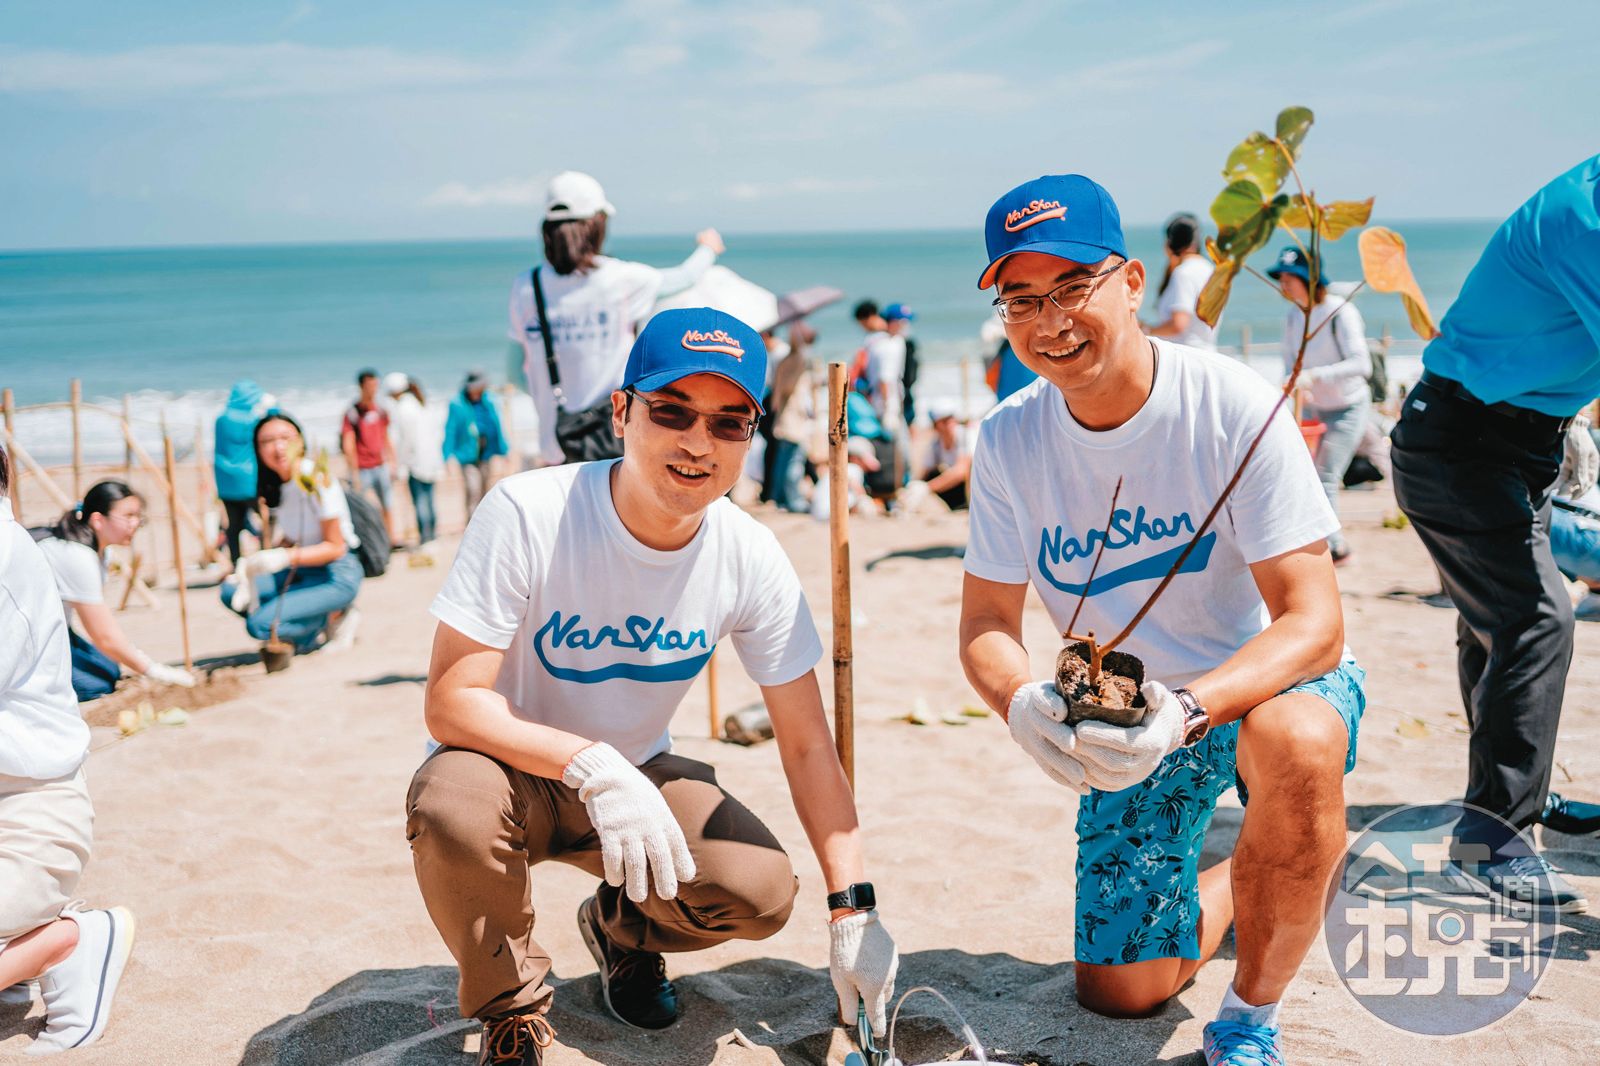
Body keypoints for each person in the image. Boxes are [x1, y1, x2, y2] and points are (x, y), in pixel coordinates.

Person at [407, 308, 897, 1065]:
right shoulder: (529, 510)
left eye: (729, 423)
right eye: (672, 412)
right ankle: (511, 1007)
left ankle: (620, 932)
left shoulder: (749, 554)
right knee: (450, 806)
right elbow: (451, 701)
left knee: (759, 889)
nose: (699, 443)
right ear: (621, 412)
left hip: (640, 775)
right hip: (508, 771)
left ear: (751, 436)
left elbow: (806, 745)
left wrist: (852, 910)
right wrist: (588, 763)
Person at [959, 174, 1363, 1066]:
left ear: (1133, 282)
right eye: (1021, 300)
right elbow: (986, 620)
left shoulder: (1232, 403)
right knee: (1122, 994)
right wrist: (1019, 700)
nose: (1050, 321)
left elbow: (1314, 622)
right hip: (1125, 717)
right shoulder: (1009, 438)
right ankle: (1273, 869)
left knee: (1298, 741)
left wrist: (1188, 710)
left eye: (1073, 286)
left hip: (1258, 687)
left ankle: (1251, 1017)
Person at [1390, 153, 1600, 906]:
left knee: (1495, 627)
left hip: (1522, 440)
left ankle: (1513, 803)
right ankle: (1491, 844)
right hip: (1459, 442)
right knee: (1536, 618)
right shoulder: (1584, 216)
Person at [1, 444, 136, 1054]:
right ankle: (19, 951)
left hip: (29, 818)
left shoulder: (7, 557)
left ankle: (67, 940)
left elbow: (106, 633)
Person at [508, 171, 723, 466]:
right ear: (598, 224)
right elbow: (685, 277)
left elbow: (514, 371)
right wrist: (709, 247)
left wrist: (549, 394)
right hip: (613, 441)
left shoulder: (527, 287)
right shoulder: (619, 280)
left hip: (557, 446)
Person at [34, 481, 196, 700]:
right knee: (96, 684)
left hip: (59, 628)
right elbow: (104, 636)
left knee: (110, 669)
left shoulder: (100, 551)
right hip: (30, 636)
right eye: (128, 516)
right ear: (98, 520)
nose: (136, 523)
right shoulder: (76, 556)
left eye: (138, 516)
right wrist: (154, 670)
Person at [221, 412, 362, 653]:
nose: (278, 447)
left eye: (286, 438)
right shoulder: (277, 484)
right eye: (267, 441)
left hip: (335, 573)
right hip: (301, 570)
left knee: (258, 624)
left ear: (301, 442)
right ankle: (301, 624)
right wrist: (254, 564)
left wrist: (284, 557)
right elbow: (295, 533)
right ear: (257, 449)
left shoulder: (315, 478)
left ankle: (334, 615)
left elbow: (336, 547)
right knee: (231, 591)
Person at [1268, 246, 1372, 565]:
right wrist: (1291, 383)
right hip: (1313, 408)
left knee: (1324, 474)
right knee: (1306, 474)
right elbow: (1290, 363)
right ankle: (1324, 543)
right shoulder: (1293, 316)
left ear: (1310, 280)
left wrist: (1315, 376)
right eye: (1282, 277)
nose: (1284, 284)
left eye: (1291, 277)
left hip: (1348, 406)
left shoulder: (1339, 312)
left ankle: (1336, 548)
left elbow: (1362, 364)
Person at [214, 379, 271, 565]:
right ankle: (265, 558)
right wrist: (271, 405)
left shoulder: (221, 419)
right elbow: (274, 419)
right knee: (265, 520)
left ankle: (236, 564)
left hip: (225, 480)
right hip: (249, 478)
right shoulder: (252, 420)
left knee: (234, 525)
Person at [386, 372, 443, 547]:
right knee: (429, 499)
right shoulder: (421, 403)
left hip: (415, 462)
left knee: (420, 501)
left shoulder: (404, 408)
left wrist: (401, 465)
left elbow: (405, 441)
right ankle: (432, 535)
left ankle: (425, 538)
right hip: (430, 459)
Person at [1145, 212, 1217, 350]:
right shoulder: (1209, 269)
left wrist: (1147, 330)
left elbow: (1179, 324)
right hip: (1208, 351)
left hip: (1185, 354)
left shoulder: (1184, 273)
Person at [341, 368, 398, 541]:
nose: (373, 389)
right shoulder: (353, 413)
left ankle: (390, 538)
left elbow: (386, 436)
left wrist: (393, 461)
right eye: (370, 385)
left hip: (380, 465)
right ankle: (366, 540)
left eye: (375, 385)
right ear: (361, 386)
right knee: (361, 507)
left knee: (388, 504)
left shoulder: (380, 410)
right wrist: (353, 471)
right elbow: (348, 443)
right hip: (363, 468)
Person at [445, 370, 509, 519]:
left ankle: (484, 521)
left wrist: (504, 450)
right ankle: (472, 523)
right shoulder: (457, 403)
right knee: (473, 489)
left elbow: (497, 427)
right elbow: (450, 430)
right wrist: (447, 455)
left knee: (485, 491)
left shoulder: (489, 401)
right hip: (467, 454)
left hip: (486, 451)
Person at [920, 406, 977, 511]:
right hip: (956, 486)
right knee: (932, 475)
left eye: (951, 419)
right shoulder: (936, 444)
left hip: (973, 485)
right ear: (936, 426)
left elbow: (962, 470)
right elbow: (925, 471)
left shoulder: (965, 435)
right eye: (944, 421)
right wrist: (917, 486)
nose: (949, 424)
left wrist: (927, 487)